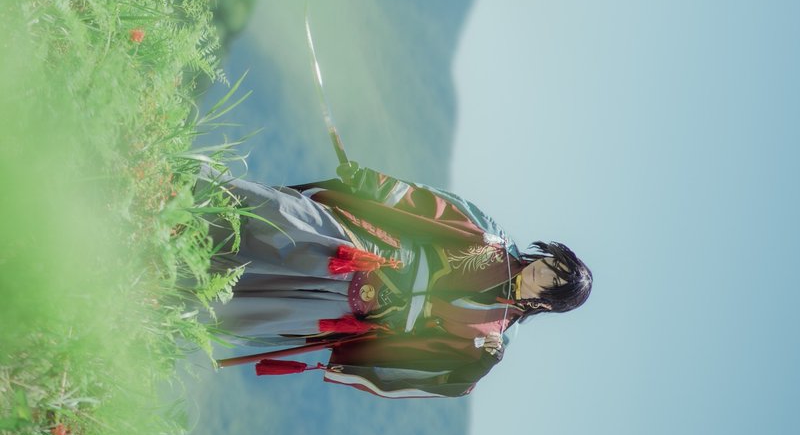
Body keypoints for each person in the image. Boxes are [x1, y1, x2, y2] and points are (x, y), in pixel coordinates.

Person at [198, 159, 592, 399]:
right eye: (551, 262)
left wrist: (474, 369)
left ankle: (173, 289)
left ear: (548, 302)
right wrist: (374, 186)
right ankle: (187, 187)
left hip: (351, 313)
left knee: (239, 306)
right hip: (363, 248)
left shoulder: (493, 341)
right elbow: (433, 207)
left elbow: (434, 375)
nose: (543, 268)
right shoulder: (493, 240)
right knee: (279, 215)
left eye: (553, 278)